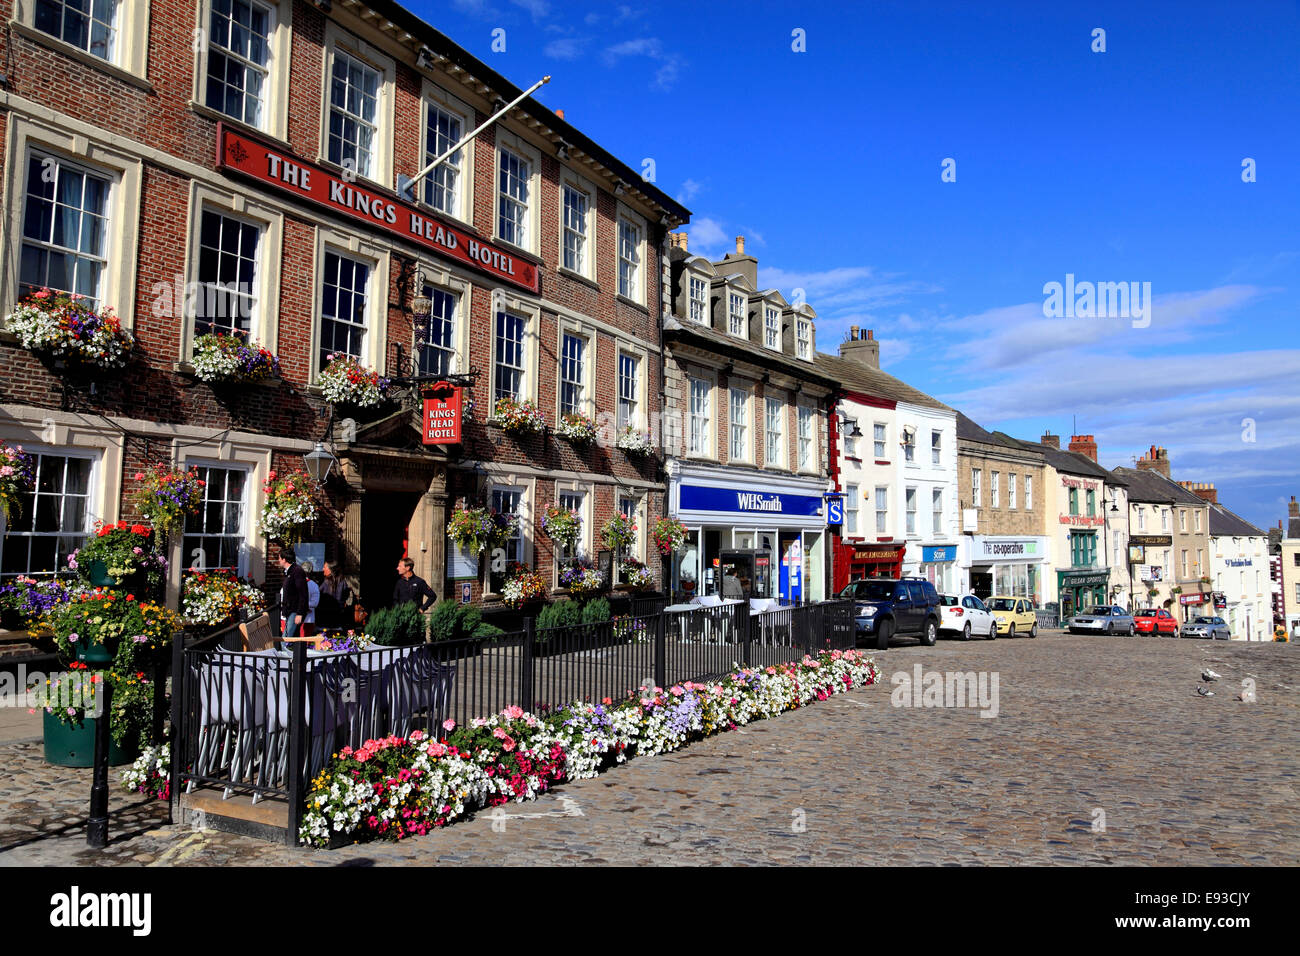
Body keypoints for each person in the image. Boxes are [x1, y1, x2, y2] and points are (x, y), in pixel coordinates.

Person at [276, 548, 309, 641]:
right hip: (289, 610)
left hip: (295, 610)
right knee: (290, 637)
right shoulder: (289, 572)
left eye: (279, 558)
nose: (278, 560)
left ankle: (284, 655)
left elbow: (303, 593)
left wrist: (300, 613)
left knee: (285, 639)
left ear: (284, 559)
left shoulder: (297, 571)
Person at [317, 560, 353, 631]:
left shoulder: (326, 583)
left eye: (325, 567)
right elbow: (345, 597)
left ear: (331, 570)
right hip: (338, 619)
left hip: (325, 619)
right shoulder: (343, 582)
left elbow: (318, 596)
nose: (323, 569)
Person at [302, 562, 321, 637]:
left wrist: (303, 606)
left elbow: (315, 603)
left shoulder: (313, 585)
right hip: (306, 618)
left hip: (307, 619)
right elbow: (315, 603)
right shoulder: (314, 585)